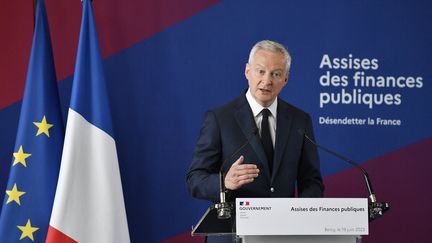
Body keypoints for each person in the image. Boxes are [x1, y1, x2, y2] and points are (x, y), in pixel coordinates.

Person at [186, 40, 324, 242]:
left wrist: (299, 215)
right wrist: (224, 182)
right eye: (260, 71)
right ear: (247, 71)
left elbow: (311, 181)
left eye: (276, 74)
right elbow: (195, 179)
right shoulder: (220, 118)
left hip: (282, 235)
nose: (267, 81)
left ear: (286, 79)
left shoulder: (300, 120)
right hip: (232, 234)